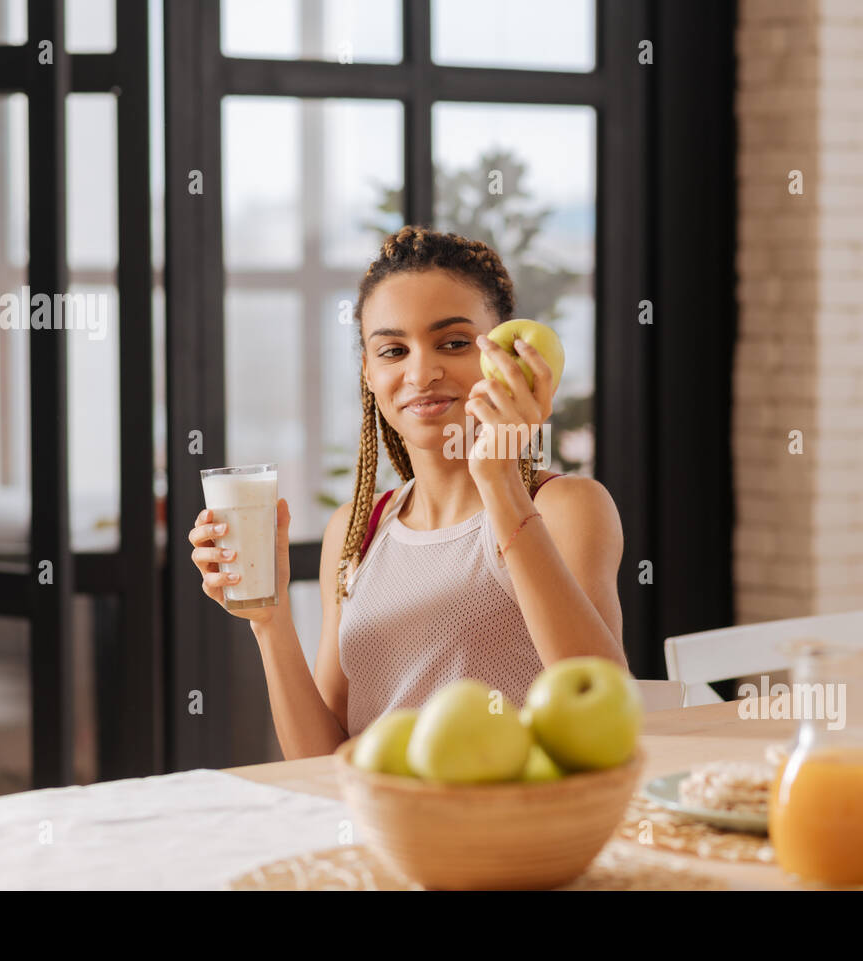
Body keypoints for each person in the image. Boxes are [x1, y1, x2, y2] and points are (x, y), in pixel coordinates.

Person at [189, 225, 628, 759]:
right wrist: (270, 620)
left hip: (511, 827)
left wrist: (498, 481)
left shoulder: (565, 508)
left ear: (507, 357)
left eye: (454, 343)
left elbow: (604, 704)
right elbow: (322, 760)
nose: (422, 372)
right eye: (393, 350)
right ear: (369, 375)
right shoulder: (357, 530)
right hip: (382, 829)